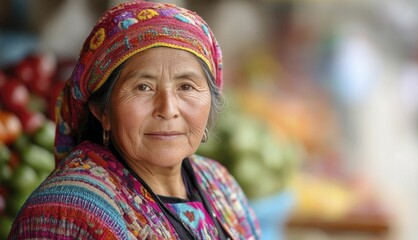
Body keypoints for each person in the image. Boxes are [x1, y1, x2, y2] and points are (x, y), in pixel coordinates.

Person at [8, 1, 261, 239]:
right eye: (143, 87)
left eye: (186, 86)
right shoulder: (70, 212)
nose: (168, 109)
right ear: (102, 110)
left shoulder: (220, 184)